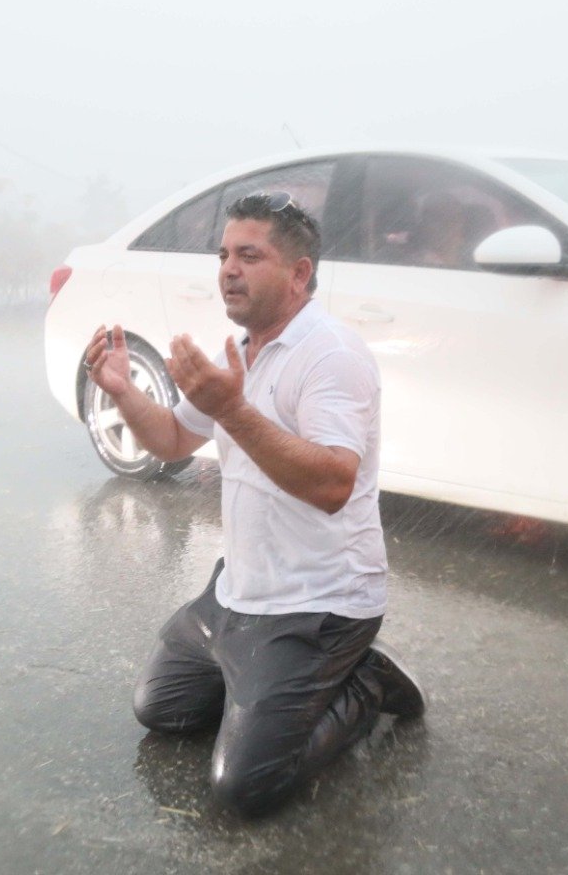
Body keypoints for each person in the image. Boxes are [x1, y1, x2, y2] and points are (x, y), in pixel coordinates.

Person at [82, 191, 427, 818]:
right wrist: (123, 390)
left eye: (248, 255)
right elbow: (172, 439)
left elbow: (331, 486)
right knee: (163, 710)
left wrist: (232, 411)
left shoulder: (332, 356)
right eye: (222, 255)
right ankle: (268, 687)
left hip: (318, 605)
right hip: (236, 592)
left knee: (243, 790)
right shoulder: (238, 351)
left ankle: (366, 683)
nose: (227, 270)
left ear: (299, 274)